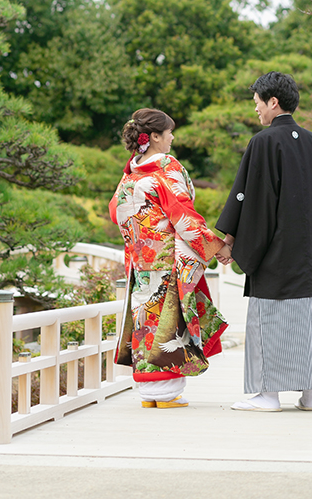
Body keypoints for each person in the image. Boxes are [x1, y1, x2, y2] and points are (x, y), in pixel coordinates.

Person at [216, 72, 312, 412]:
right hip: (307, 254)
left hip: (276, 254)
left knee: (269, 321)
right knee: (306, 320)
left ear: (273, 102)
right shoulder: (311, 141)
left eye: (257, 103)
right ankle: (309, 395)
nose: (256, 110)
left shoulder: (264, 142)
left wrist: (232, 241)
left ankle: (268, 395)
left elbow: (254, 200)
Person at [109, 107, 231, 408]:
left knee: (145, 320)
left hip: (141, 262)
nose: (172, 138)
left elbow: (116, 212)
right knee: (168, 324)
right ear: (153, 137)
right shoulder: (166, 167)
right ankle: (166, 393)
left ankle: (149, 394)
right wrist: (218, 247)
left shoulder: (130, 173)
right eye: (168, 133)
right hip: (167, 260)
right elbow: (184, 216)